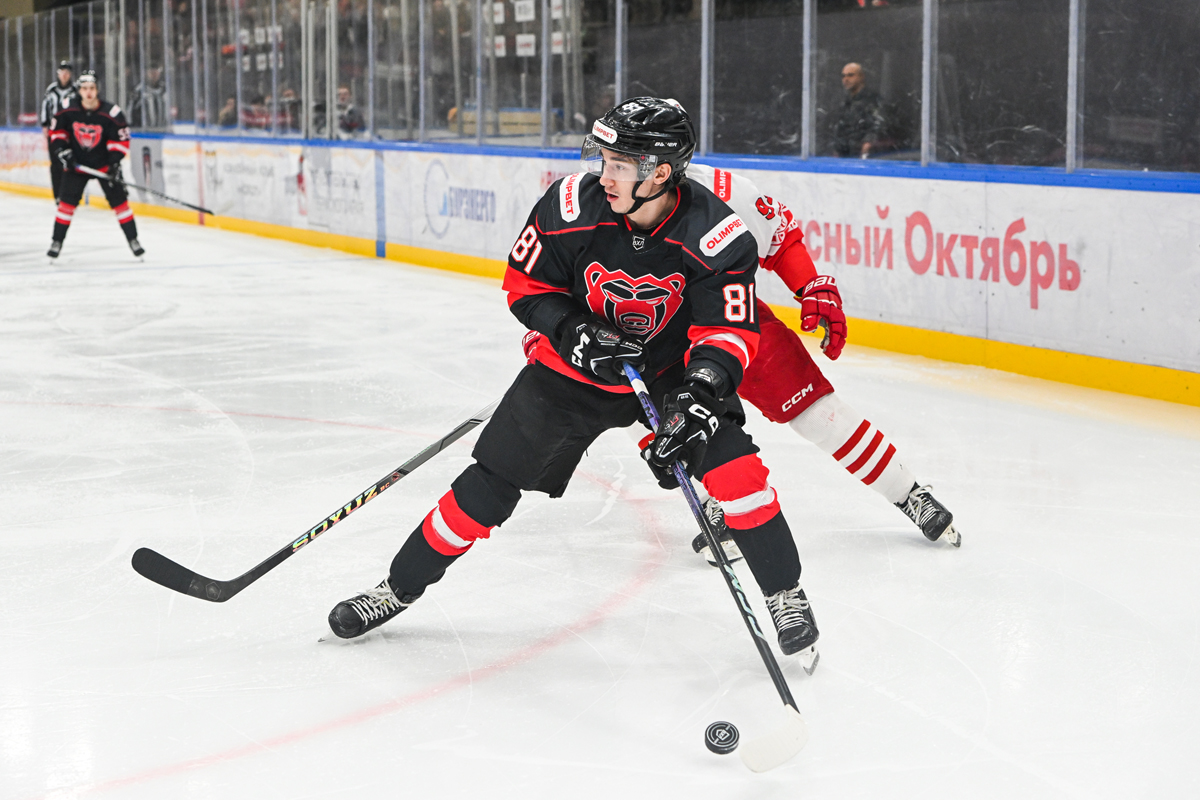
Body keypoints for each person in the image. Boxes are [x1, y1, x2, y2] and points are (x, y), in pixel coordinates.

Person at [327, 97, 822, 668]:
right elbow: (525, 288)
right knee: (488, 487)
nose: (603, 175)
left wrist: (702, 392)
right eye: (604, 160)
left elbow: (728, 332)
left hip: (669, 374)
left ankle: (785, 593)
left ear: (660, 173)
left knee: (737, 473)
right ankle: (396, 589)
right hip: (573, 370)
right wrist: (572, 330)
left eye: (619, 165)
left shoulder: (717, 235)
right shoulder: (569, 207)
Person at [682, 164, 961, 563]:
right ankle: (719, 502)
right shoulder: (602, 196)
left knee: (816, 412)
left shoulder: (722, 189)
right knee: (672, 416)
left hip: (730, 313)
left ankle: (908, 492)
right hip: (654, 331)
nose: (610, 169)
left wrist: (809, 285)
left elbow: (778, 238)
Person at [46, 71, 144, 259]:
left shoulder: (112, 113)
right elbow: (57, 133)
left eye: (92, 88)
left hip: (104, 165)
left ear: (97, 90)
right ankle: (56, 241)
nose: (88, 92)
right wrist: (64, 152)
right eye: (84, 88)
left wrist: (114, 163)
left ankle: (133, 240)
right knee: (66, 205)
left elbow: (120, 140)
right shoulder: (67, 109)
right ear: (79, 91)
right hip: (77, 166)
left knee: (120, 203)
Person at [39, 61, 80, 202]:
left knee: (70, 163)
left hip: (71, 133)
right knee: (56, 163)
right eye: (62, 72)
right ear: (58, 73)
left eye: (67, 72)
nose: (64, 75)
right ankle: (58, 195)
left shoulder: (75, 90)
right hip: (54, 132)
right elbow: (45, 107)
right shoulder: (51, 90)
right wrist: (45, 125)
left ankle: (69, 193)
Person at [832, 62, 889, 158]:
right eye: (843, 76)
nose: (846, 79)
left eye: (850, 75)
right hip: (844, 153)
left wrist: (868, 143)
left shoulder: (872, 100)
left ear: (861, 77)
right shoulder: (843, 102)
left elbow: (879, 125)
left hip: (863, 154)